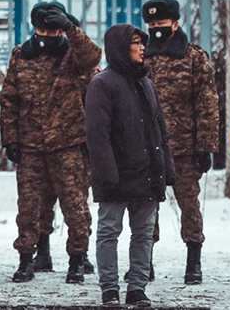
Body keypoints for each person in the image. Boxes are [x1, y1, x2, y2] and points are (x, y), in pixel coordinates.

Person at [0, 3, 101, 284]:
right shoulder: (21, 55)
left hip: (67, 143)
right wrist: (10, 139)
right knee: (29, 209)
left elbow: (93, 56)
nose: (48, 35)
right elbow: (9, 99)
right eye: (43, 29)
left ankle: (77, 261)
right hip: (31, 146)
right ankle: (26, 261)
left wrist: (70, 28)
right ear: (34, 27)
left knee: (75, 207)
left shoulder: (73, 54)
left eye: (53, 29)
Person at [86, 24, 175, 307]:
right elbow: (97, 135)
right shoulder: (102, 83)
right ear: (120, 47)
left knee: (144, 234)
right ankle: (110, 290)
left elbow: (160, 131)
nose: (141, 48)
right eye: (135, 42)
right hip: (116, 176)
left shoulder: (146, 83)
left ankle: (137, 288)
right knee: (109, 232)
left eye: (141, 42)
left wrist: (166, 168)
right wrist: (108, 175)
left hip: (146, 174)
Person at [142, 0, 219, 284]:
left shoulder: (193, 57)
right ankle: (144, 262)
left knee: (189, 205)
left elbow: (207, 104)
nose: (156, 30)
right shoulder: (141, 56)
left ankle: (193, 263)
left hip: (184, 148)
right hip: (150, 146)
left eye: (161, 25)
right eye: (151, 25)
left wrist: (206, 146)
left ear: (175, 24)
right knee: (147, 207)